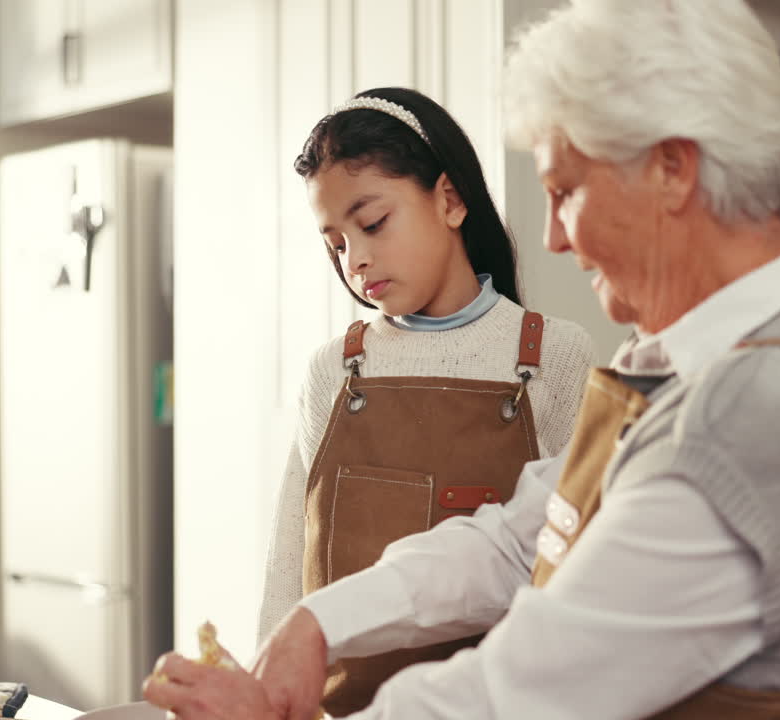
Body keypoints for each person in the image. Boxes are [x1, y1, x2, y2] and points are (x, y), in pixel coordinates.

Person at [144, 2, 780, 718]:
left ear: (671, 170)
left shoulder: (756, 412)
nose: (552, 237)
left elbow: (530, 693)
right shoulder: (698, 359)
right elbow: (521, 537)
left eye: (566, 189)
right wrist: (317, 622)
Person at [253, 86, 594, 716]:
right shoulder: (333, 369)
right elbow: (288, 564)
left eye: (373, 222)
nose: (356, 259)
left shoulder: (555, 356)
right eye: (335, 243)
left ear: (450, 198)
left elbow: (570, 569)